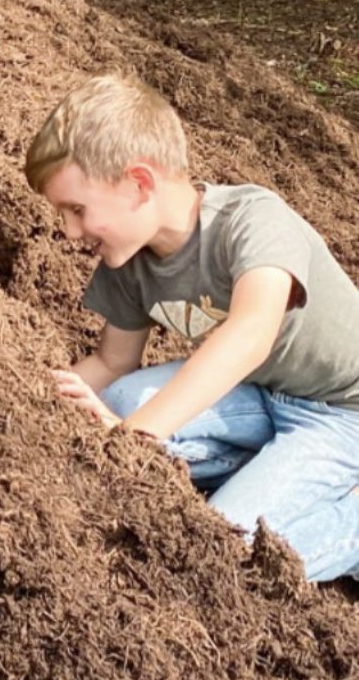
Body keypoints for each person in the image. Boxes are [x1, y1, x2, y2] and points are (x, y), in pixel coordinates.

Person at [26, 74, 359, 581]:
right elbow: (113, 363)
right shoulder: (128, 262)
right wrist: (32, 405)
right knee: (112, 406)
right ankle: (266, 474)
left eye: (77, 210)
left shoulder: (252, 220)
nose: (69, 232)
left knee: (231, 549)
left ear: (139, 183)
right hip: (260, 393)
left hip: (343, 413)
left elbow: (251, 333)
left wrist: (134, 439)